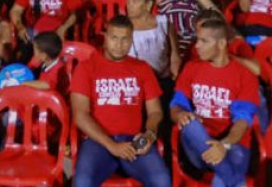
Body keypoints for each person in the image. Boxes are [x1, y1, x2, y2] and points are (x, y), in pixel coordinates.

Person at [70, 15, 170, 187]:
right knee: (82, 182)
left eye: (125, 39)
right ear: (106, 37)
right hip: (98, 141)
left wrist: (149, 134)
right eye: (114, 38)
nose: (119, 44)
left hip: (133, 141)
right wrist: (112, 145)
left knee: (162, 180)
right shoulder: (86, 68)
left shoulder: (142, 68)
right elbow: (80, 115)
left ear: (131, 40)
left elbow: (155, 112)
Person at [169, 18, 260, 187]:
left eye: (204, 41)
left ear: (221, 43)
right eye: (198, 40)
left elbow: (242, 120)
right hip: (197, 146)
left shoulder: (244, 75)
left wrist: (223, 145)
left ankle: (228, 175)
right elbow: (176, 105)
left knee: (220, 181)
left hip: (233, 144)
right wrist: (179, 114)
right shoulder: (191, 68)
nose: (197, 46)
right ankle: (235, 179)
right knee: (190, 124)